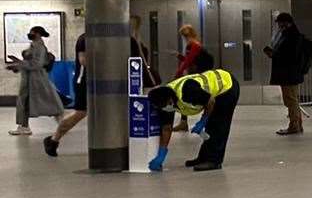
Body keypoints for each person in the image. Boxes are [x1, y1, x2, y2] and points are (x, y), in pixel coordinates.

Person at [43, 19, 152, 158]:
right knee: (80, 113)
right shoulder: (85, 39)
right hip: (84, 81)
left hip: (112, 82)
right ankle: (53, 140)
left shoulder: (125, 40)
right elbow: (83, 60)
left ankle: (123, 143)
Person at [148, 67, 238, 171]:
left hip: (227, 86)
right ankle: (204, 158)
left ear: (170, 100)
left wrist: (203, 121)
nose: (165, 108)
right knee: (211, 126)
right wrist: (161, 155)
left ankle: (214, 161)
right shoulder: (163, 102)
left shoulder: (188, 91)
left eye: (167, 105)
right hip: (214, 92)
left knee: (218, 125)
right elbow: (166, 128)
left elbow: (210, 101)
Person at [7, 25, 64, 136]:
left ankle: (62, 123)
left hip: (35, 79)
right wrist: (17, 66)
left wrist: (20, 63)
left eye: (32, 32)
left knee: (41, 101)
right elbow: (30, 62)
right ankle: (24, 126)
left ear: (37, 34)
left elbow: (36, 64)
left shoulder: (40, 47)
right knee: (32, 101)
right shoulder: (33, 45)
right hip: (30, 78)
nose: (30, 34)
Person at [264, 12, 312, 135]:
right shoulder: (289, 35)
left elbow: (290, 56)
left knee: (290, 100)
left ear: (286, 23)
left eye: (280, 23)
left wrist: (273, 54)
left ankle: (294, 125)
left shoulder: (291, 36)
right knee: (291, 99)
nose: (279, 26)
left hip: (289, 74)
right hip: (290, 73)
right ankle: (297, 124)